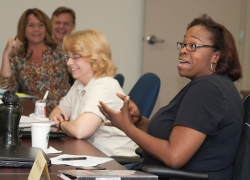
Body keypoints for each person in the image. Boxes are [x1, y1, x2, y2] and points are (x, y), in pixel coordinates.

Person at [98, 14, 244, 180]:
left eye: (193, 46)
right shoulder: (215, 85)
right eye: (183, 44)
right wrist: (138, 122)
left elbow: (174, 157)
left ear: (216, 55)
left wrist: (126, 127)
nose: (183, 50)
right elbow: (175, 137)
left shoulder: (208, 89)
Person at [49, 29, 138, 157]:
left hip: (116, 162)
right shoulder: (80, 83)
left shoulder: (104, 86)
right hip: (92, 155)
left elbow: (81, 131)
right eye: (68, 57)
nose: (68, 62)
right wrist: (59, 118)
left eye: (75, 57)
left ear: (95, 58)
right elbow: (56, 111)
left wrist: (61, 124)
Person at [0, 8, 70, 114]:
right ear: (23, 28)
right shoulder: (17, 56)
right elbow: (6, 90)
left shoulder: (59, 50)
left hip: (64, 113)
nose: (36, 29)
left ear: (46, 28)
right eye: (31, 25)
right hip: (34, 115)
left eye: (41, 25)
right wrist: (6, 55)